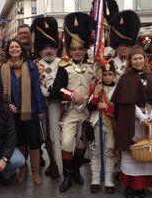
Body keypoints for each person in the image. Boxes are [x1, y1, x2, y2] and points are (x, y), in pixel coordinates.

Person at [111, 46, 152, 198]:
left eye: (140, 58)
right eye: (134, 59)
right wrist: (141, 116)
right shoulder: (125, 78)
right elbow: (127, 103)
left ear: (145, 59)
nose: (138, 61)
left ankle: (151, 183)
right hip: (134, 122)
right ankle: (134, 186)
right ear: (130, 61)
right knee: (134, 151)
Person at [0, 39, 46, 185]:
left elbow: (36, 89)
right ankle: (23, 169)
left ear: (21, 49)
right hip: (13, 113)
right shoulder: (4, 68)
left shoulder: (30, 66)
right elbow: (0, 91)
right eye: (11, 47)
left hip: (30, 111)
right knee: (19, 142)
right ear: (8, 50)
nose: (14, 49)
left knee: (34, 142)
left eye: (16, 46)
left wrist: (40, 109)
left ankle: (36, 171)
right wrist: (7, 105)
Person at [58, 12, 93, 193]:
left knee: (81, 145)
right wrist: (72, 95)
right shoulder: (64, 67)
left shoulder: (94, 66)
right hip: (71, 111)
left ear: (86, 49)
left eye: (80, 48)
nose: (77, 51)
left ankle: (76, 171)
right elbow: (57, 89)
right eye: (74, 49)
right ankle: (67, 176)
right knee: (66, 143)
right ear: (70, 50)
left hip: (88, 112)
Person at [31, 16, 67, 176]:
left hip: (60, 105)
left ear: (56, 48)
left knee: (58, 136)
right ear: (39, 49)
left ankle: (61, 166)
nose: (48, 50)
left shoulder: (64, 63)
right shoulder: (34, 64)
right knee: (44, 135)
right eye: (45, 47)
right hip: (41, 105)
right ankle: (52, 163)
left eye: (51, 47)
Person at [87, 61, 117, 194]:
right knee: (97, 151)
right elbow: (89, 107)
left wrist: (107, 107)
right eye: (105, 74)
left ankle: (109, 180)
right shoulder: (96, 86)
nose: (108, 77)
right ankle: (95, 180)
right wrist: (95, 95)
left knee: (109, 151)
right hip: (97, 122)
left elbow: (122, 108)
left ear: (115, 75)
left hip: (111, 125)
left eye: (110, 74)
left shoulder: (119, 89)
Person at [109, 10, 141, 80]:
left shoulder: (139, 62)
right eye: (120, 45)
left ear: (132, 45)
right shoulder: (108, 62)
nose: (123, 48)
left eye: (127, 45)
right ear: (116, 45)